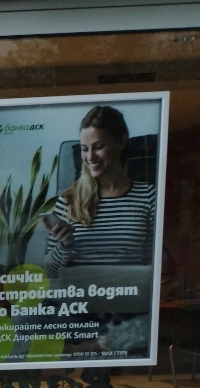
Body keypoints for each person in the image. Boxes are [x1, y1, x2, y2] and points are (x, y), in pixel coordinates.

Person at [44, 105, 157, 279]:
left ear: (120, 142)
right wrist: (65, 245)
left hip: (128, 299)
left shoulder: (149, 196)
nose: (90, 157)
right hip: (79, 302)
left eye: (98, 147)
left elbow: (154, 266)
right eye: (84, 148)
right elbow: (49, 273)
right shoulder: (68, 200)